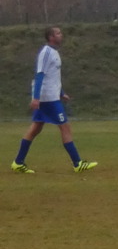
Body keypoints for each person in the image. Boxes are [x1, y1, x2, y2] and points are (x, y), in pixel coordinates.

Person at [11, 26, 98, 174]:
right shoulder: (46, 53)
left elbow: (53, 77)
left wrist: (61, 93)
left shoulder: (54, 52)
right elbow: (40, 75)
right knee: (65, 127)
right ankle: (77, 163)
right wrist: (36, 98)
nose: (61, 35)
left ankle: (18, 162)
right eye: (58, 33)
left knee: (36, 128)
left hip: (51, 96)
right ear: (51, 37)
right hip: (48, 99)